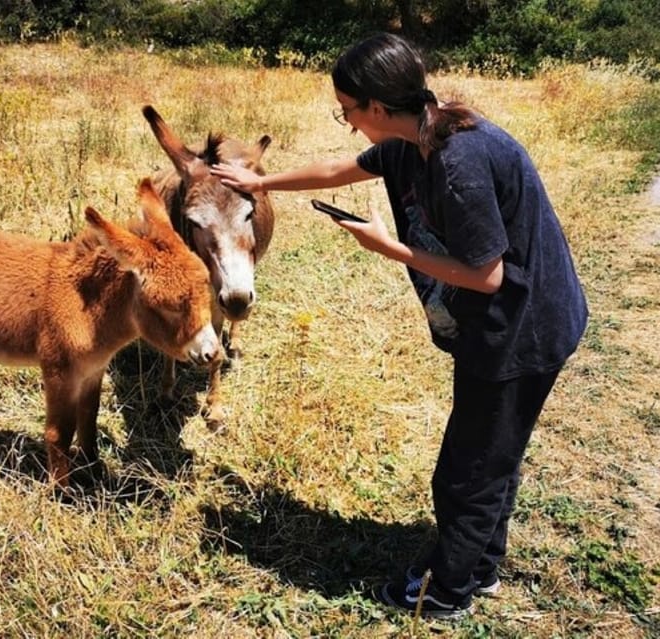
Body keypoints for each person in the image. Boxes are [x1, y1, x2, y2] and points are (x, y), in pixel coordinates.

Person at [210, 32, 588, 620]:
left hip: (522, 326)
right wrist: (262, 184)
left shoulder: (458, 163)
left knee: (468, 470)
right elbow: (339, 169)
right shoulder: (415, 135)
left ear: (379, 109)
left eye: (348, 110)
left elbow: (486, 275)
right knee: (491, 452)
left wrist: (392, 249)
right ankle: (481, 566)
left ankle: (448, 590)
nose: (349, 122)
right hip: (504, 323)